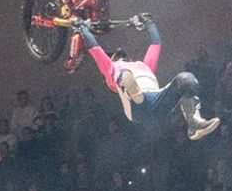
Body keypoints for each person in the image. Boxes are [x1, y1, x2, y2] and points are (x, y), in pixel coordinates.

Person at [75, 16, 219, 140]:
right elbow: (95, 49)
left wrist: (148, 23)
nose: (121, 58)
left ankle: (194, 123)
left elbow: (156, 44)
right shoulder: (112, 68)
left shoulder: (144, 66)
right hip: (136, 108)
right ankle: (133, 93)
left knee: (186, 79)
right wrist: (83, 29)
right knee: (123, 77)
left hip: (156, 101)